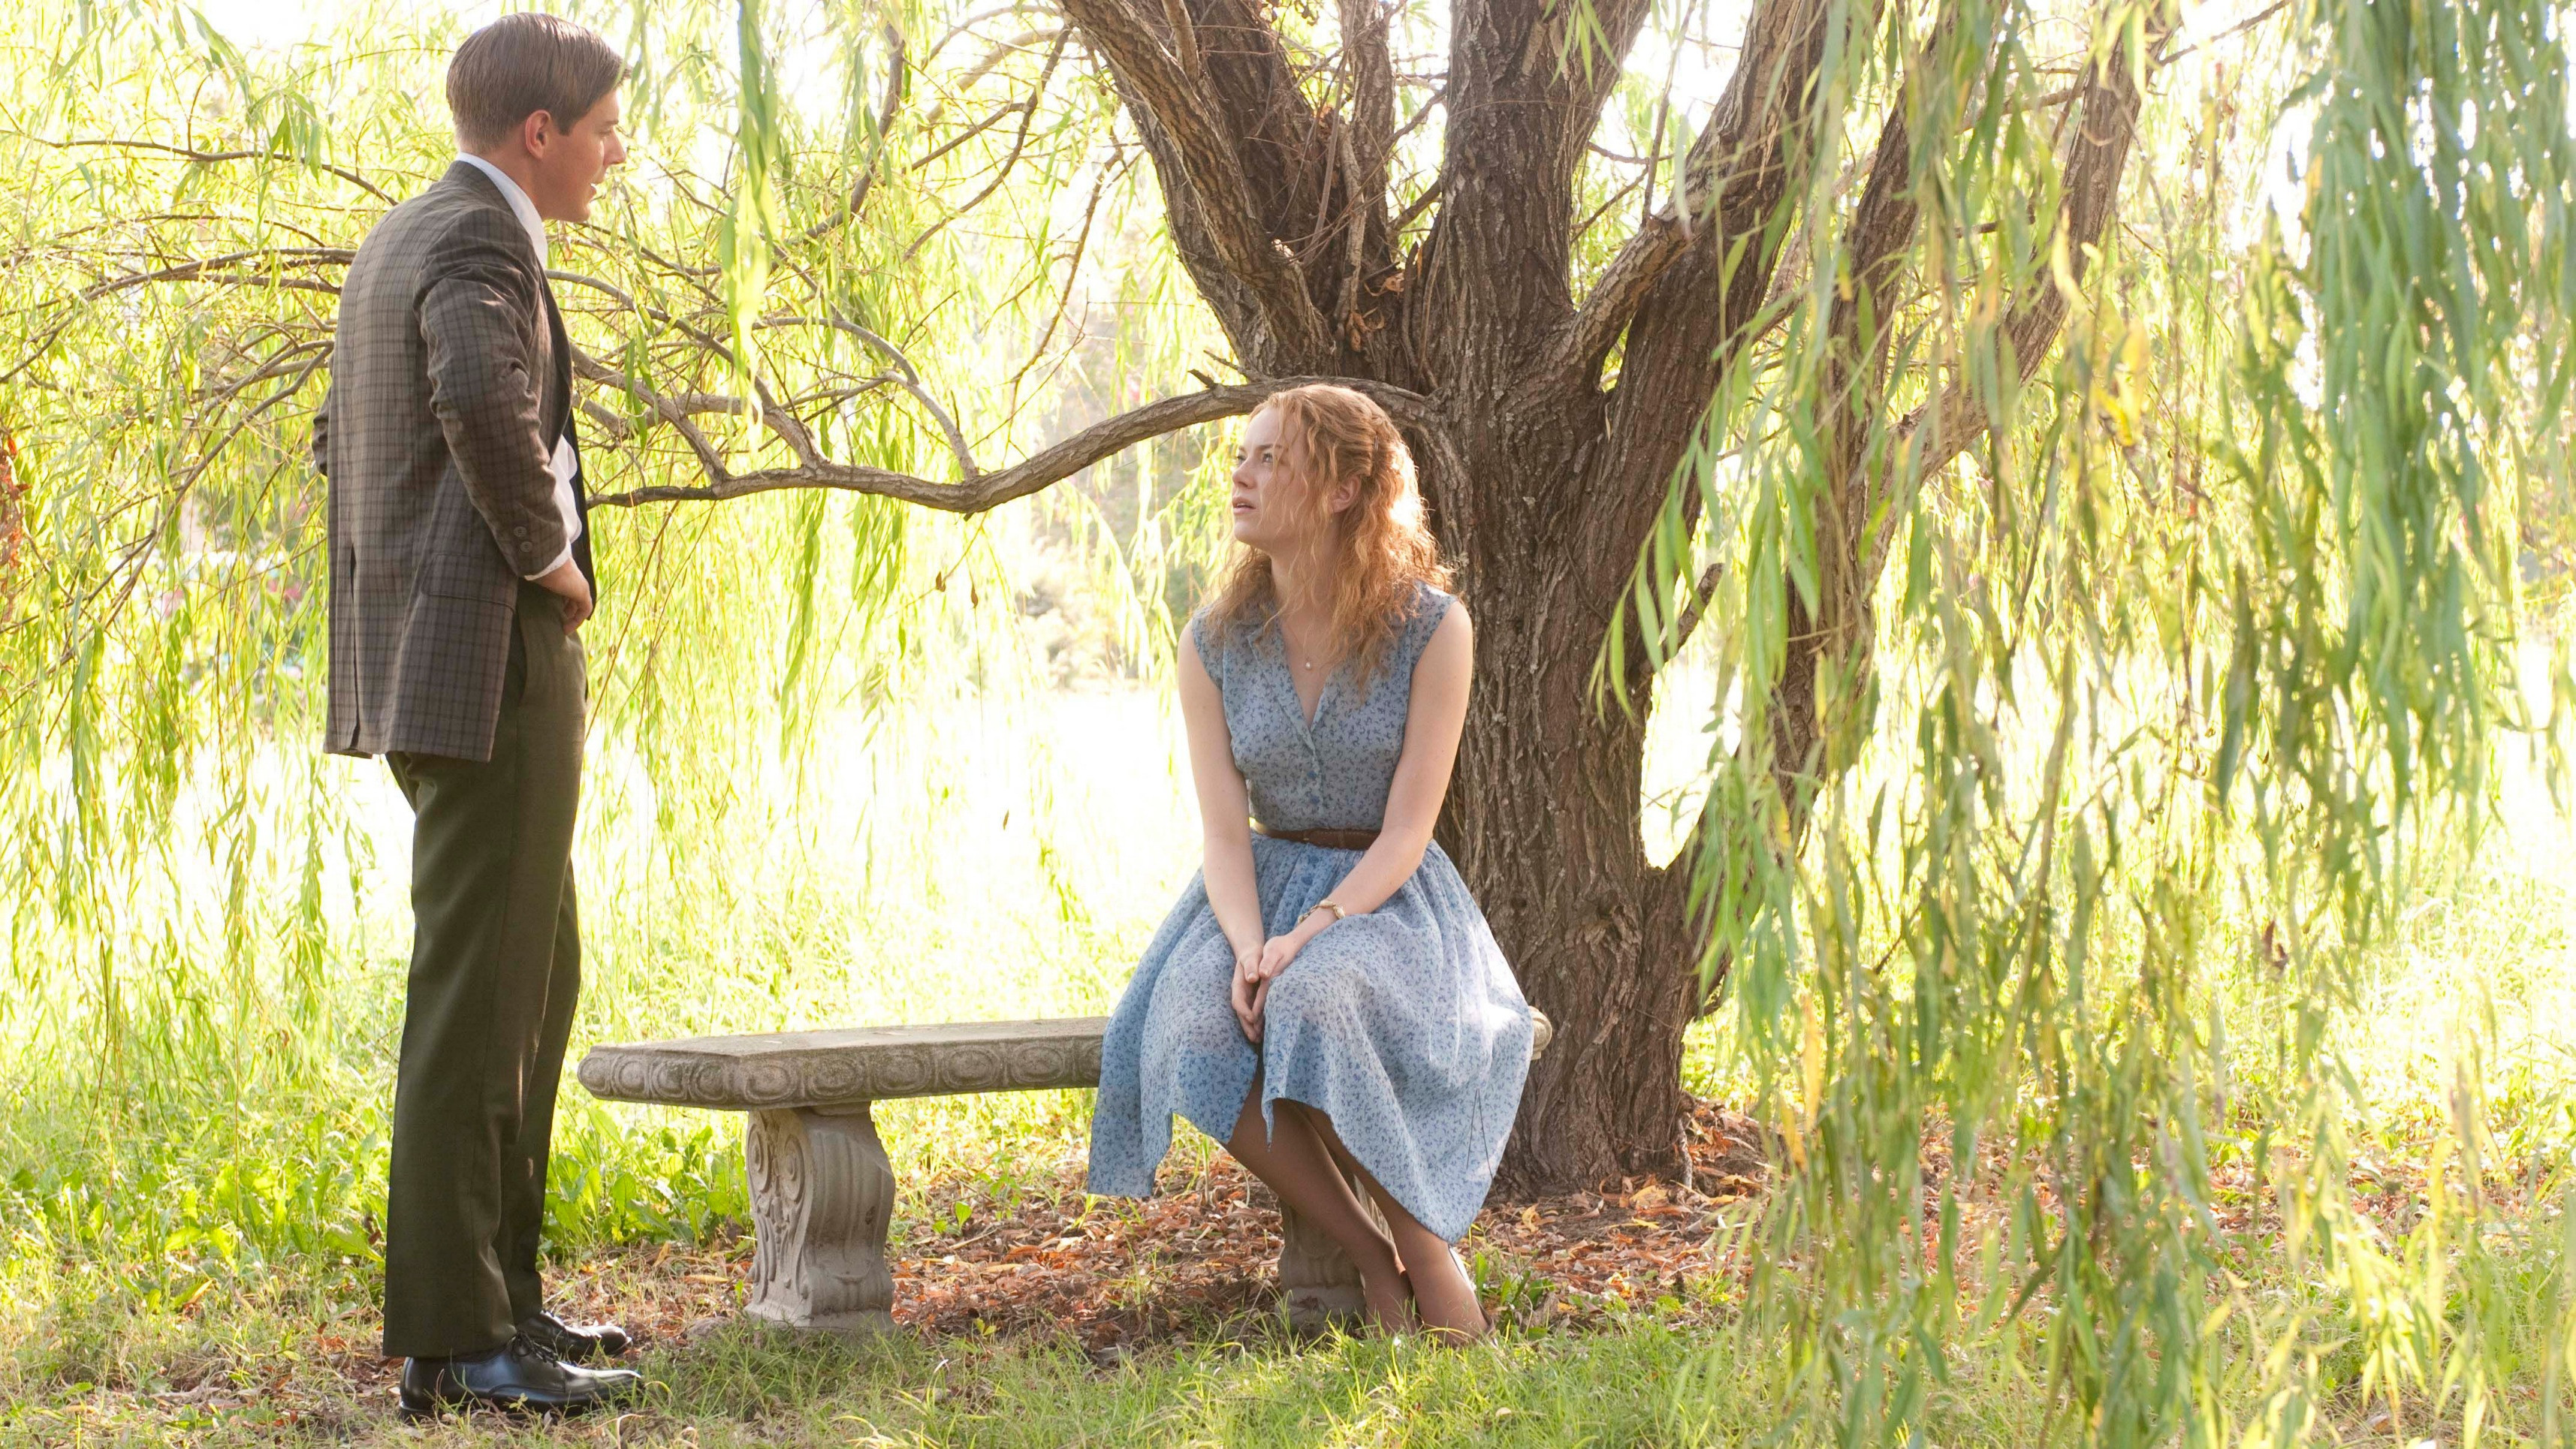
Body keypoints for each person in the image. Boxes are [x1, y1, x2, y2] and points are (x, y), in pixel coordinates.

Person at [311, 13, 640, 1418]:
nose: (617, 154)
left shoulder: (404, 234)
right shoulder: (476, 245)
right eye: (605, 130)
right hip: (491, 657)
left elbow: (341, 437)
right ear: (538, 132)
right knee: (479, 1000)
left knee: (533, 974)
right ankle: (457, 1341)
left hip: (435, 658)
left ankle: (503, 1304)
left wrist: (401, 583)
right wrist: (549, 562)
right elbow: (474, 402)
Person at [1087, 384, 1534, 1341]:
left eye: (1269, 459)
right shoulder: (1213, 642)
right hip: (1250, 893)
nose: (1239, 476)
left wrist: (1313, 932)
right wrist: (1253, 944)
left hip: (1386, 898)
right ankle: (1370, 1258)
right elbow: (1222, 834)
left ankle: (1429, 1258)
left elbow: (1408, 831)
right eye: (1240, 457)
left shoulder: (1432, 628)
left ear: (1339, 490)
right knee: (1187, 1024)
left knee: (1315, 998)